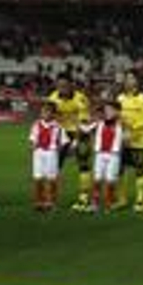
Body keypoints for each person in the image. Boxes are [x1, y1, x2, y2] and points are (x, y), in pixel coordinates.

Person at [47, 75, 92, 211]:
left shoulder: (81, 98)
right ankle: (52, 199)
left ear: (71, 85)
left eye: (65, 85)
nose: (62, 88)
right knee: (55, 166)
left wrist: (75, 141)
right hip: (60, 133)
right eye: (59, 85)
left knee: (83, 164)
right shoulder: (52, 98)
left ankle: (84, 197)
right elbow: (50, 119)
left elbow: (83, 122)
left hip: (80, 133)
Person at [117, 73, 143, 213]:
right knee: (121, 170)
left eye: (132, 79)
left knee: (140, 169)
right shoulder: (120, 98)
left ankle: (140, 200)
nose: (129, 81)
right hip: (123, 139)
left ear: (137, 82)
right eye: (127, 79)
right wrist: (123, 130)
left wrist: (133, 128)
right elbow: (116, 115)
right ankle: (122, 198)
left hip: (139, 139)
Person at [28, 101, 67, 213]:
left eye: (47, 112)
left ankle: (51, 202)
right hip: (38, 153)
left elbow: (64, 142)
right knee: (38, 178)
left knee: (52, 179)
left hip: (51, 153)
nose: (44, 114)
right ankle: (39, 201)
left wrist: (59, 150)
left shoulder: (58, 127)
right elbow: (33, 138)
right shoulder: (36, 124)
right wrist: (32, 146)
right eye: (43, 112)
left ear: (53, 113)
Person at [90, 100, 127, 213]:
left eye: (110, 110)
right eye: (106, 110)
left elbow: (127, 138)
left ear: (117, 112)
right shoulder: (99, 123)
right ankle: (95, 203)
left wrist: (125, 137)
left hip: (114, 155)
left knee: (111, 180)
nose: (107, 112)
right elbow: (86, 129)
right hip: (100, 154)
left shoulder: (121, 124)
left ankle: (108, 203)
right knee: (97, 178)